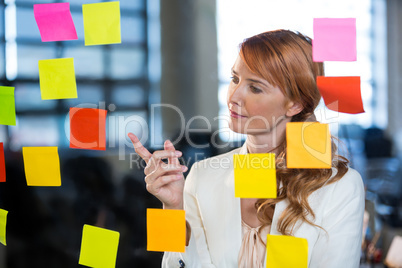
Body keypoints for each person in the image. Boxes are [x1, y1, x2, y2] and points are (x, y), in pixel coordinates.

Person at [128, 29, 365, 268]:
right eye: (235, 79)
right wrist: (172, 207)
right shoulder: (202, 174)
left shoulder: (340, 187)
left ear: (295, 105)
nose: (233, 96)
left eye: (255, 88)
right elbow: (174, 264)